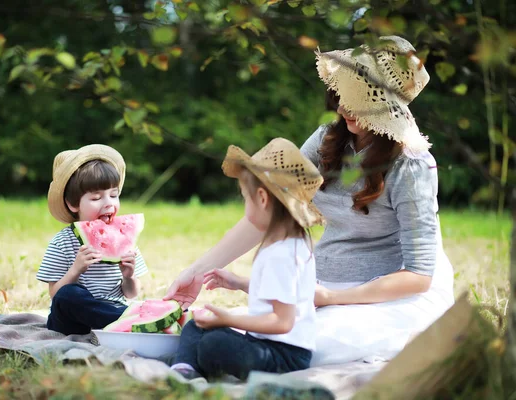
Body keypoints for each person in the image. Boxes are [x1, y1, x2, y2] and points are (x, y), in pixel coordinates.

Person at [164, 36, 455, 365]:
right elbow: (268, 214)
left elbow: (418, 276)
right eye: (342, 95)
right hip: (320, 287)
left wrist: (333, 297)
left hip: (386, 297)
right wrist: (198, 271)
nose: (343, 108)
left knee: (310, 347)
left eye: (358, 100)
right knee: (245, 330)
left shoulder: (411, 165)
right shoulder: (326, 140)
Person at [171, 138, 323, 380]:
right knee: (196, 326)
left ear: (262, 199)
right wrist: (238, 282)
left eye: (245, 198)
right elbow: (282, 295)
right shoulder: (290, 243)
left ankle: (194, 361)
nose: (245, 206)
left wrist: (230, 319)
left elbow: (283, 321)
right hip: (266, 344)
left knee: (214, 344)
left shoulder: (281, 253)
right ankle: (186, 368)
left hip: (284, 357)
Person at [37, 144, 149, 335]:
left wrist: (128, 276)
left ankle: (122, 321)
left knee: (131, 305)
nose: (109, 203)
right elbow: (55, 295)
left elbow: (131, 293)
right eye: (97, 198)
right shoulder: (62, 243)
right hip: (71, 323)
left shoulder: (123, 240)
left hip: (111, 310)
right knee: (68, 295)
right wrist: (75, 269)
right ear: (73, 204)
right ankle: (132, 322)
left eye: (114, 195)